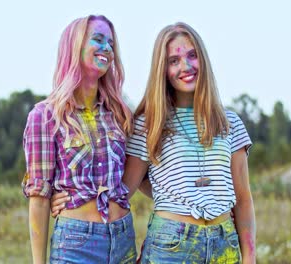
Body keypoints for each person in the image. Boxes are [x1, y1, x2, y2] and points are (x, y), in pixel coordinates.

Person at [52, 22, 256, 263]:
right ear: (163, 68)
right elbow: (123, 188)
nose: (186, 66)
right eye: (174, 61)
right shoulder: (149, 123)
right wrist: (71, 198)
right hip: (171, 246)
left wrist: (249, 257)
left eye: (192, 56)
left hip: (225, 244)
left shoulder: (229, 122)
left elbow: (243, 199)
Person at [21, 15, 136, 264]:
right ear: (75, 47)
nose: (107, 48)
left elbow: (138, 173)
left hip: (123, 237)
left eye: (110, 43)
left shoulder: (118, 113)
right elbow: (39, 198)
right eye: (97, 39)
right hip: (76, 244)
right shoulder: (45, 115)